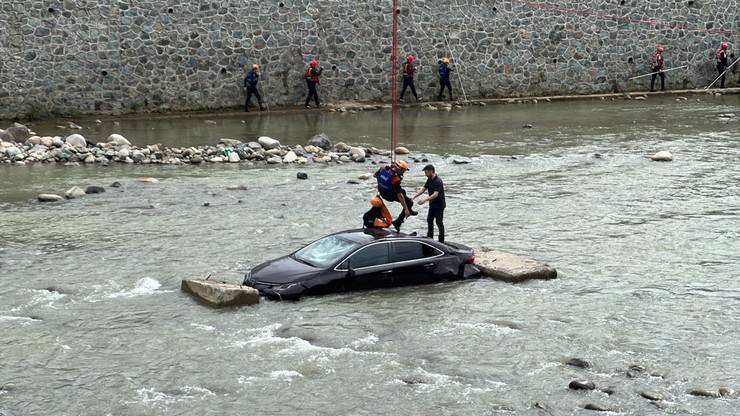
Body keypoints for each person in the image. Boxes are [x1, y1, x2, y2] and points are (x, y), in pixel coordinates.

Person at [374, 159, 417, 232]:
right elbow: (399, 195)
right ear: (400, 170)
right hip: (389, 195)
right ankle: (398, 222)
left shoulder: (383, 169)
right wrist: (406, 209)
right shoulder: (395, 179)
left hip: (382, 192)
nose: (404, 172)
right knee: (409, 202)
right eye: (404, 171)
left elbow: (375, 175)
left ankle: (407, 210)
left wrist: (384, 182)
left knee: (403, 191)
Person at [413, 164, 445, 243]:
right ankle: (430, 238)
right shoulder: (429, 179)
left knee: (439, 222)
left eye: (426, 172)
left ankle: (441, 240)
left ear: (431, 171)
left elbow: (435, 194)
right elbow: (423, 189)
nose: (425, 174)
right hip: (432, 204)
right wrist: (414, 197)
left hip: (439, 205)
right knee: (429, 220)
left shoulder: (438, 181)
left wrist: (424, 200)